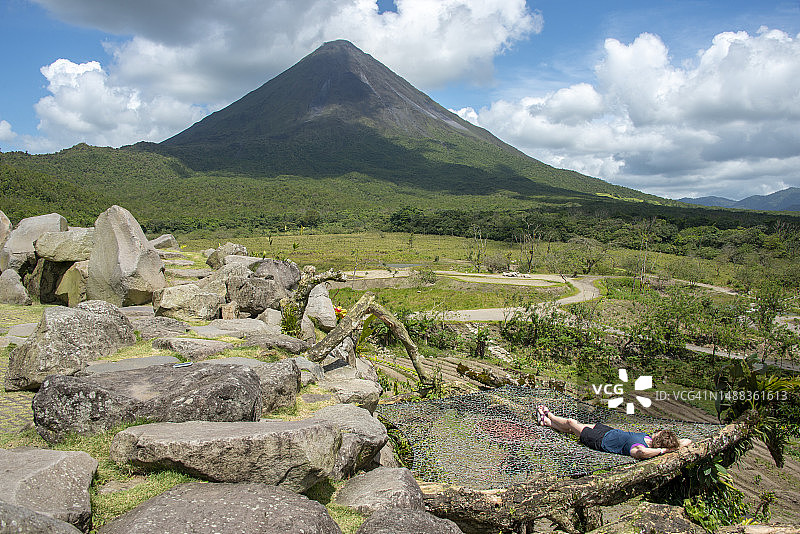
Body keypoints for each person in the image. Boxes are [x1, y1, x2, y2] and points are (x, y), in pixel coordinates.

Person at [536, 405, 691, 460]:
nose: (656, 432)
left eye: (658, 433)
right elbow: (687, 441)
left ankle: (548, 415)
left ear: (659, 440)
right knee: (573, 427)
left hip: (599, 441)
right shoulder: (648, 438)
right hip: (607, 431)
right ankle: (547, 423)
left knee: (571, 423)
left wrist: (661, 450)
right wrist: (672, 448)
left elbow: (642, 452)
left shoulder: (639, 448)